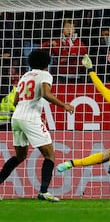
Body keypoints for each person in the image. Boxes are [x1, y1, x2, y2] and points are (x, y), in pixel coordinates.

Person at [0, 49, 74, 202]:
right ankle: (44, 191)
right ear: (47, 62)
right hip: (30, 118)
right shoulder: (45, 75)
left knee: (20, 156)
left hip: (17, 117)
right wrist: (64, 105)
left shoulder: (25, 76)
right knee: (50, 155)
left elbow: (15, 100)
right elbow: (46, 93)